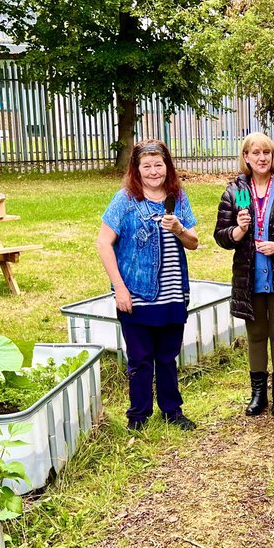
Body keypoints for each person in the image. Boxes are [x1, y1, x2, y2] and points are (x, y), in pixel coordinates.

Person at [96, 139, 199, 432]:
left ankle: (171, 411)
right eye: (147, 166)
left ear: (167, 166)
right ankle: (138, 416)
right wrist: (120, 288)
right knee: (140, 360)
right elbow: (103, 243)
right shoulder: (125, 200)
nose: (154, 171)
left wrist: (179, 228)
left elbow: (194, 243)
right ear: (136, 169)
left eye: (159, 165)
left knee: (168, 357)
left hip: (172, 293)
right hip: (137, 295)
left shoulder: (177, 198)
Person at [214, 133, 274, 416]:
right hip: (250, 276)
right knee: (256, 334)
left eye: (266, 152)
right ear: (246, 158)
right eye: (255, 153)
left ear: (273, 155)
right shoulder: (237, 191)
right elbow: (221, 235)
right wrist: (239, 230)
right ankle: (258, 394)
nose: (261, 158)